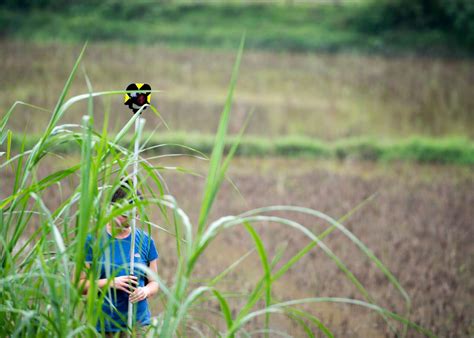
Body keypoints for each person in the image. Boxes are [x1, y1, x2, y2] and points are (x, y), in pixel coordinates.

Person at [78, 182, 160, 337]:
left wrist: (145, 291)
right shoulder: (93, 241)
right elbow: (80, 285)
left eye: (135, 215)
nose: (131, 220)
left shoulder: (145, 240)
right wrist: (111, 282)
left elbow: (154, 282)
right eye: (125, 215)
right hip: (103, 324)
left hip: (137, 325)